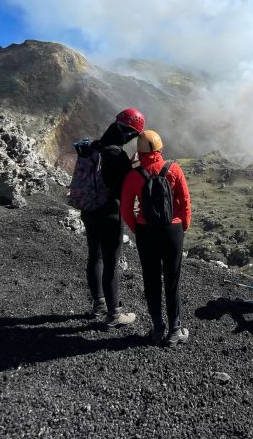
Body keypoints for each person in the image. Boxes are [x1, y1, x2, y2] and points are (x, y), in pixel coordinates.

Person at [121, 130, 192, 346]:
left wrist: (138, 229)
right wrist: (183, 227)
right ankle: (175, 331)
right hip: (173, 231)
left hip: (146, 232)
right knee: (172, 281)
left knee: (151, 280)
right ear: (160, 148)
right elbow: (185, 201)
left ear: (139, 152)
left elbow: (126, 209)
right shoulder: (174, 169)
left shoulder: (133, 176)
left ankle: (157, 329)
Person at [82, 108, 145, 327]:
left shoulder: (94, 147)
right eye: (134, 135)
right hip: (109, 214)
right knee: (111, 262)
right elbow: (126, 189)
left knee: (94, 256)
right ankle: (114, 314)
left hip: (88, 210)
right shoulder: (117, 154)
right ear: (128, 133)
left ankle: (98, 304)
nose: (133, 139)